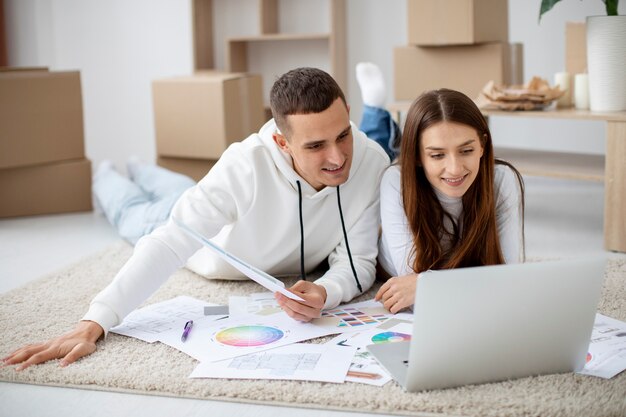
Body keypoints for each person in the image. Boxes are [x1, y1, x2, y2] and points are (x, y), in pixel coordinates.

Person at [3, 67, 390, 370]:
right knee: (132, 212)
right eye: (316, 146)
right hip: (204, 251)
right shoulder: (243, 165)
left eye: (342, 135)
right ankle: (106, 175)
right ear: (282, 143)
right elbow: (170, 242)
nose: (338, 158)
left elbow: (358, 262)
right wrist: (97, 320)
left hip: (204, 200)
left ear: (349, 116)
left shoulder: (371, 160)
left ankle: (141, 167)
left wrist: (327, 291)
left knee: (176, 188)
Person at [355, 63, 525, 314]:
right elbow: (408, 285)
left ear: (483, 145)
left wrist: (423, 283)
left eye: (466, 151)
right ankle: (374, 109)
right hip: (386, 236)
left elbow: (512, 278)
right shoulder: (395, 180)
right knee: (369, 156)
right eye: (437, 155)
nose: (455, 169)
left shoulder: (503, 179)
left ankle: (376, 110)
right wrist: (479, 282)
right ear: (417, 157)